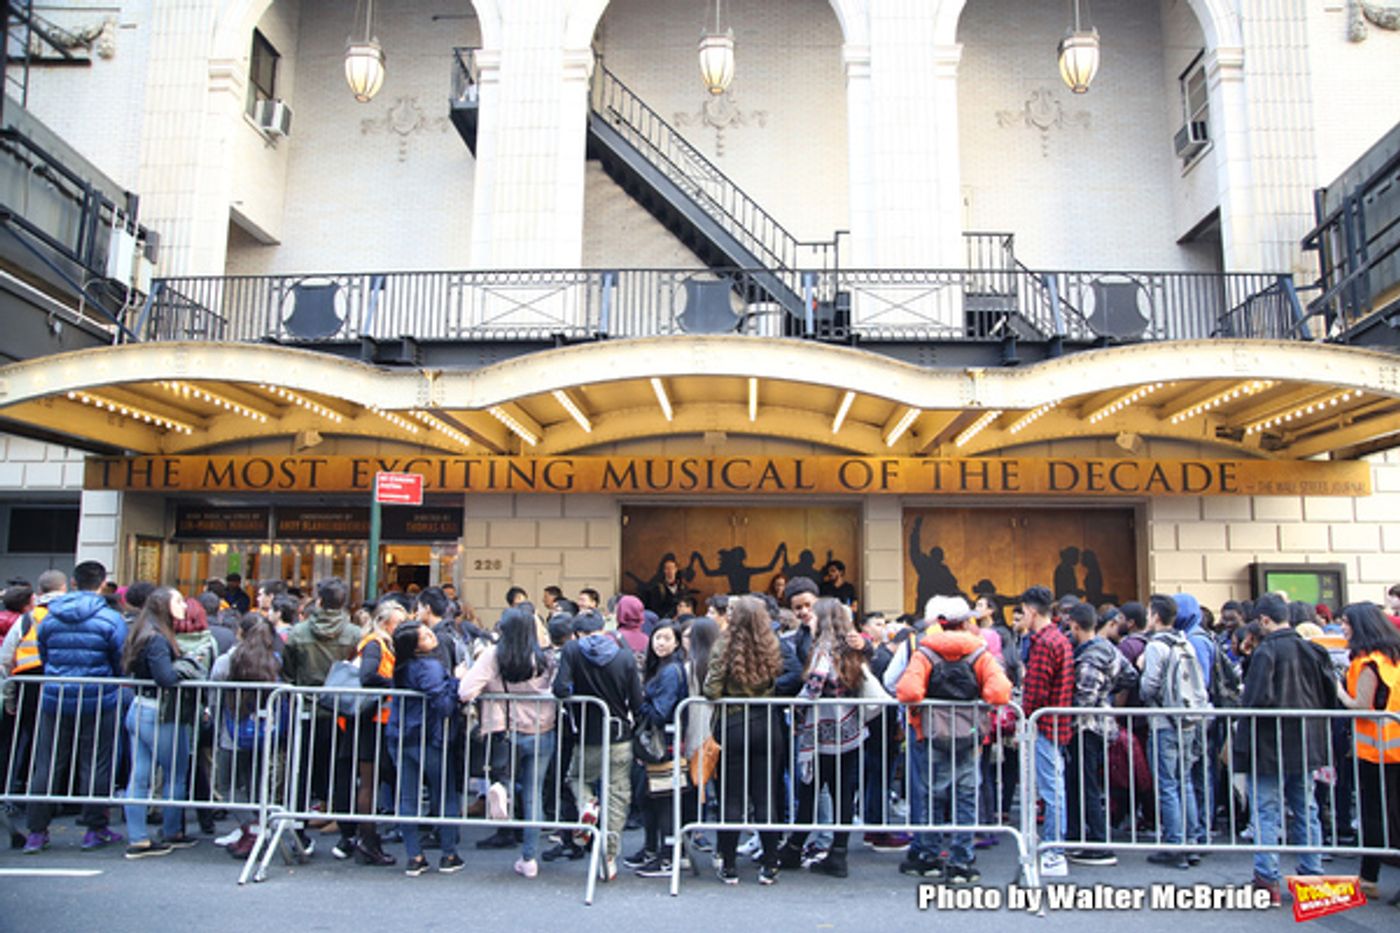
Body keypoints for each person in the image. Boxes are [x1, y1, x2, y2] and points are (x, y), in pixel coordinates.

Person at [895, 598, 1011, 883]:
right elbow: (999, 692)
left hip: (932, 733)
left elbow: (908, 691)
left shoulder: (925, 653)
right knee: (966, 796)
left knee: (932, 795)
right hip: (969, 735)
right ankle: (962, 860)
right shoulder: (979, 653)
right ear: (965, 623)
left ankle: (930, 856)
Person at [1235, 593, 1335, 904]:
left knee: (1267, 811)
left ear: (1264, 620)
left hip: (1269, 745)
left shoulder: (1266, 652)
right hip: (1306, 742)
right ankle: (1312, 875)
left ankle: (1267, 879)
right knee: (1306, 808)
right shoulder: (1313, 650)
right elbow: (1328, 694)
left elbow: (1256, 700)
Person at [23, 561, 126, 855]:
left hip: (55, 694)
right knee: (96, 763)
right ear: (103, 583)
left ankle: (37, 831)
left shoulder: (49, 617)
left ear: (73, 582)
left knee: (47, 763)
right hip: (99, 695)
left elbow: (44, 653)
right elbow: (119, 658)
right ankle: (94, 829)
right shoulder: (110, 619)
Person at [459, 606, 558, 879]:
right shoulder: (545, 658)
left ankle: (502, 789)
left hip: (504, 728)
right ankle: (529, 858)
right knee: (534, 793)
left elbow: (465, 691)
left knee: (504, 772)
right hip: (541, 729)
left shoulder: (494, 655)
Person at [776, 598, 872, 879]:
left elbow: (814, 686)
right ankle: (838, 853)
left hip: (822, 732)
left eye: (814, 615)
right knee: (843, 794)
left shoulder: (823, 649)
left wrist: (795, 707)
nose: (809, 618)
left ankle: (794, 848)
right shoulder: (850, 648)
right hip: (850, 730)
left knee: (810, 790)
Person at [552, 608, 645, 881]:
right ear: (604, 629)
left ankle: (587, 804)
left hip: (587, 734)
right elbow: (636, 701)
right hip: (619, 734)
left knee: (577, 778)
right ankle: (609, 856)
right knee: (617, 796)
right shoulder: (624, 656)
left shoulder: (572, 650)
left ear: (577, 633)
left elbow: (560, 688)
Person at [703, 595, 786, 885]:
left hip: (733, 723)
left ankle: (728, 865)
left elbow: (711, 690)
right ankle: (770, 864)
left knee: (732, 797)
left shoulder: (723, 645)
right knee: (765, 797)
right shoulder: (772, 644)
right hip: (767, 722)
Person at [120, 587, 201, 858]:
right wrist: (187, 666)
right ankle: (171, 831)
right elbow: (165, 677)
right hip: (159, 712)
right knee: (175, 773)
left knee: (139, 775)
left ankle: (138, 837)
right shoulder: (157, 638)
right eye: (178, 600)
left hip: (140, 707)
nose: (184, 605)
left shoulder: (142, 631)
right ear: (164, 605)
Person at [388, 619, 467, 876]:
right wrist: (456, 681)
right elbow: (443, 704)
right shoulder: (429, 667)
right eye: (424, 636)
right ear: (415, 647)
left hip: (402, 735)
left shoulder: (402, 668)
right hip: (429, 737)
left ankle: (414, 855)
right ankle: (449, 853)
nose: (431, 636)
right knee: (444, 794)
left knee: (408, 796)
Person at [331, 598, 406, 867]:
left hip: (374, 720)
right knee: (369, 782)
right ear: (384, 623)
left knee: (372, 780)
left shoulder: (381, 643)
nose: (402, 627)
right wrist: (396, 683)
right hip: (370, 722)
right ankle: (367, 841)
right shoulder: (375, 643)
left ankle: (365, 839)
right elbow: (368, 676)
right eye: (398, 623)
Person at [1137, 593, 1207, 870]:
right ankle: (1191, 842)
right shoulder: (1184, 642)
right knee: (1184, 781)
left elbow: (1149, 687)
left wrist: (1142, 669)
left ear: (1155, 616)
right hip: (1186, 719)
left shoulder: (1156, 646)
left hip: (1164, 722)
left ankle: (1174, 844)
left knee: (1167, 784)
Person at [1064, 602, 1136, 867]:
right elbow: (1130, 675)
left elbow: (1084, 699)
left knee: (1086, 784)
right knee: (1082, 782)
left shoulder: (1089, 657)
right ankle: (1080, 836)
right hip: (1102, 723)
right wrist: (1109, 690)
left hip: (1086, 726)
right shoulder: (1108, 649)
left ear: (1075, 626)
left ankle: (1097, 842)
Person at [283, 578, 362, 820]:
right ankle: (339, 820)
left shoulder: (298, 632)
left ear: (319, 601)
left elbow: (288, 669)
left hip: (306, 704)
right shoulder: (355, 634)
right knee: (340, 767)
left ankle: (298, 820)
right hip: (341, 707)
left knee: (300, 767)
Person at [1336, 602, 1400, 900]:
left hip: (1377, 750)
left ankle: (1368, 878)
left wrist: (1338, 690)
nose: (1343, 628)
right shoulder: (1391, 658)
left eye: (1346, 622)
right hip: (1391, 746)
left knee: (1374, 814)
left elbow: (1360, 705)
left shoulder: (1367, 663)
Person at [210, 612, 283, 858]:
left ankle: (251, 828)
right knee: (255, 784)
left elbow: (214, 697)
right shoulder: (274, 661)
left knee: (227, 784)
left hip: (231, 732)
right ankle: (255, 828)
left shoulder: (227, 661)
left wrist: (215, 721)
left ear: (240, 632)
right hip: (264, 732)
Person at [1016, 584, 1073, 877]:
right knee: (1053, 787)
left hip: (1044, 724)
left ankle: (1053, 850)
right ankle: (1053, 847)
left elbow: (1036, 692)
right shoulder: (1059, 639)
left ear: (1031, 611)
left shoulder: (1043, 643)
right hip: (1055, 722)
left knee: (1051, 789)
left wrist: (1023, 717)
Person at [626, 622, 688, 877]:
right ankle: (653, 849)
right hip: (656, 743)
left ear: (676, 643)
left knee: (662, 799)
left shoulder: (671, 671)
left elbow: (660, 712)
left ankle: (667, 856)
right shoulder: (660, 667)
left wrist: (637, 702)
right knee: (648, 796)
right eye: (657, 637)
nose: (660, 643)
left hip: (665, 743)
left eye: (666, 638)